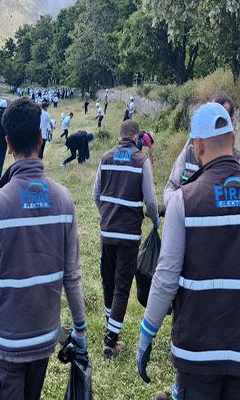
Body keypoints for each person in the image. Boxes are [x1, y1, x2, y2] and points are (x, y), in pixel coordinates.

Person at [136, 102, 240, 400]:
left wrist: (147, 334)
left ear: (198, 146)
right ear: (233, 138)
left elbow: (166, 278)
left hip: (197, 353)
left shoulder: (183, 202)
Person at [0, 98, 87, 399]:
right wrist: (80, 329)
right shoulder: (64, 200)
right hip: (44, 339)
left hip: (7, 344)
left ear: (8, 143)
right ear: (40, 139)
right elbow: (72, 276)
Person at [93, 120, 159, 360]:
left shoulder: (105, 157)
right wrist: (155, 221)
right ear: (136, 138)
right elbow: (150, 201)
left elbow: (96, 194)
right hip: (129, 235)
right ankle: (111, 341)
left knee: (108, 282)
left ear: (120, 136)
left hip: (107, 232)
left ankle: (109, 329)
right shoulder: (141, 161)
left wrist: (106, 215)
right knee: (122, 286)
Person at [163, 94, 240, 205]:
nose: (215, 124)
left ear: (232, 121)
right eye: (210, 116)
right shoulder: (188, 154)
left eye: (220, 119)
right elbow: (170, 188)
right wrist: (180, 205)